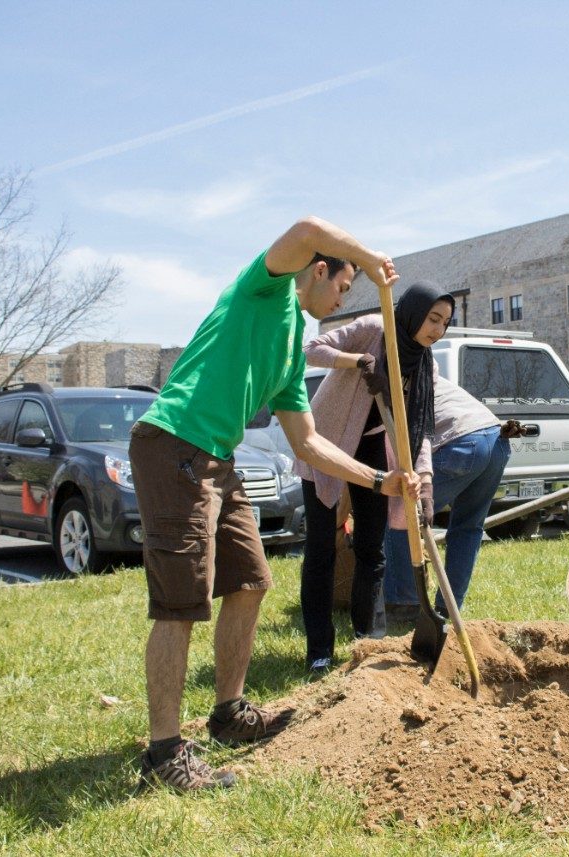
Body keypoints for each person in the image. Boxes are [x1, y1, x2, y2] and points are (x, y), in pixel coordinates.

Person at [128, 217, 419, 792]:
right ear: (319, 270)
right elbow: (308, 226)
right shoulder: (262, 291)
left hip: (217, 457)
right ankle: (164, 752)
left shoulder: (292, 352)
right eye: (342, 285)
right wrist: (368, 255)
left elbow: (309, 442)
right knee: (181, 603)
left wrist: (381, 479)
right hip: (173, 445)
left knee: (251, 582)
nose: (341, 297)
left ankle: (229, 712)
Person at [295, 282, 450, 675]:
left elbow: (421, 431)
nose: (438, 330)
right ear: (414, 313)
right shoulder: (374, 328)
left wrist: (426, 485)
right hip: (326, 440)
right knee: (321, 547)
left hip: (372, 449)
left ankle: (368, 637)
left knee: (371, 545)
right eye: (433, 319)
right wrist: (359, 361)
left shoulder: (424, 364)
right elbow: (310, 350)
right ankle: (319, 649)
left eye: (445, 323)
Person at [382, 375, 520, 620]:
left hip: (463, 443)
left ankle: (404, 604)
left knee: (400, 513)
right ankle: (448, 607)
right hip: (496, 439)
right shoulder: (426, 375)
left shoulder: (397, 386)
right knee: (468, 527)